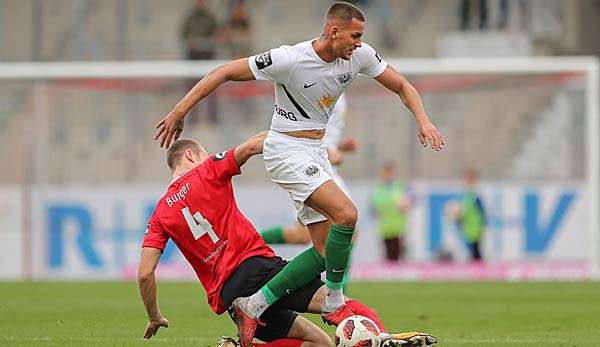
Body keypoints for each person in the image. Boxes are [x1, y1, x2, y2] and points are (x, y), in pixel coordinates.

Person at [154, 3, 445, 344]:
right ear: (333, 31)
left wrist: (423, 120)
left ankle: (254, 304)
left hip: (315, 152)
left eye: (361, 37)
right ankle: (334, 301)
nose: (359, 43)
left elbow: (402, 86)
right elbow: (225, 72)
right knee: (347, 216)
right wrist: (180, 109)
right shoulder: (290, 59)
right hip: (285, 149)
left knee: (324, 250)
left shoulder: (359, 56)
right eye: (354, 36)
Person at [137, 133, 437, 347]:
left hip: (229, 295)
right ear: (191, 156)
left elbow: (145, 273)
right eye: (202, 154)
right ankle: (380, 336)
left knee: (318, 341)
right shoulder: (207, 171)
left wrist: (154, 315)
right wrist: (303, 145)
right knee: (335, 295)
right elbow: (256, 143)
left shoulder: (160, 213)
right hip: (259, 269)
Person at [372, 162, 412, 262]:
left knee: (398, 254)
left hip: (399, 228)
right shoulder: (378, 188)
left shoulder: (399, 187)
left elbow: (408, 202)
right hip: (385, 228)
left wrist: (405, 204)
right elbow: (375, 207)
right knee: (388, 255)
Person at [453, 169, 486, 261]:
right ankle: (477, 267)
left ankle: (479, 270)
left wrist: (482, 225)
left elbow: (481, 210)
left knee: (475, 250)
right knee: (472, 250)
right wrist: (458, 219)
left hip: (474, 226)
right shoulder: (465, 194)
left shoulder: (475, 193)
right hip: (467, 227)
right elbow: (462, 211)